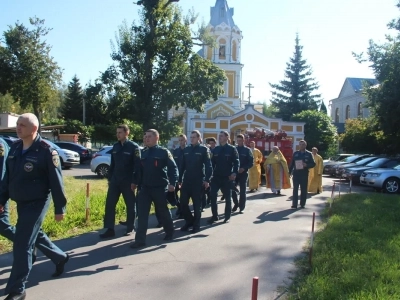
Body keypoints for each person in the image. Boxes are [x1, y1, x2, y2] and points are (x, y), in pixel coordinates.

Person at [0, 113, 69, 300]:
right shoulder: (14, 148)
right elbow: (8, 178)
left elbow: (57, 182)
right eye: (17, 124)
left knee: (22, 243)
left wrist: (59, 209)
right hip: (21, 201)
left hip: (38, 202)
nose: (18, 127)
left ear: (34, 129)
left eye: (22, 125)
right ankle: (59, 256)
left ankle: (17, 290)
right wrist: (1, 200)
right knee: (31, 234)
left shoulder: (47, 151)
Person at [130, 129, 178, 248]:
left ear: (157, 138)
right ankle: (140, 240)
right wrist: (134, 182)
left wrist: (173, 183)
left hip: (159, 188)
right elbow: (137, 170)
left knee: (163, 212)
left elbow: (173, 168)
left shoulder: (163, 152)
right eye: (145, 136)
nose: (146, 138)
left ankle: (170, 231)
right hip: (144, 188)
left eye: (149, 136)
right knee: (142, 214)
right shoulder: (142, 152)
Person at [100, 125, 141, 238]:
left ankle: (130, 227)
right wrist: (110, 178)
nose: (118, 134)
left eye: (120, 132)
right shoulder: (116, 146)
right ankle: (109, 228)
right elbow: (112, 164)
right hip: (115, 181)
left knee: (130, 204)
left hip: (128, 181)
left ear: (127, 133)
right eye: (117, 132)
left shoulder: (133, 147)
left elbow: (137, 166)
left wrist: (135, 181)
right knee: (110, 204)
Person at [179, 131, 212, 233]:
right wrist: (179, 179)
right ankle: (189, 221)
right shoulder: (187, 149)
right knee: (183, 203)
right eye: (191, 137)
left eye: (194, 137)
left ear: (198, 138)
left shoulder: (203, 149)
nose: (191, 139)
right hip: (187, 180)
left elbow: (208, 166)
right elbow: (182, 166)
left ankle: (196, 226)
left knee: (197, 205)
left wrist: (207, 180)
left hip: (198, 181)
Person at [208, 131, 239, 224]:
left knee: (228, 198)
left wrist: (234, 173)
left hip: (227, 177)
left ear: (226, 137)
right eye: (219, 136)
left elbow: (236, 162)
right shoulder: (215, 149)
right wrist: (209, 175)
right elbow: (211, 164)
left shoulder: (232, 149)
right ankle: (214, 216)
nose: (219, 137)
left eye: (221, 136)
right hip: (216, 177)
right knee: (213, 196)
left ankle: (227, 216)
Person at [288, 140, 316, 209]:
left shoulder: (309, 154)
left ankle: (302, 204)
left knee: (303, 189)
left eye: (303, 144)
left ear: (305, 145)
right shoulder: (295, 153)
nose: (301, 146)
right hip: (296, 174)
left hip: (304, 174)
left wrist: (306, 165)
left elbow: (313, 164)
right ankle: (294, 204)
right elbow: (292, 164)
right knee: (295, 189)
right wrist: (289, 173)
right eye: (300, 144)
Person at [232, 134, 253, 213]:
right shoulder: (234, 149)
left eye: (240, 141)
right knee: (232, 189)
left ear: (244, 141)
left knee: (242, 191)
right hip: (235, 173)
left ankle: (241, 207)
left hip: (243, 173)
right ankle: (236, 203)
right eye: (238, 141)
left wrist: (244, 168)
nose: (239, 142)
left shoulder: (247, 150)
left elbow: (251, 162)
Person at [172, 134, 187, 219]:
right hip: (177, 176)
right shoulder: (176, 151)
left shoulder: (188, 150)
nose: (181, 142)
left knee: (183, 195)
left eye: (182, 140)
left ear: (186, 141)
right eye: (180, 140)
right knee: (173, 193)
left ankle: (182, 212)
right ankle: (179, 206)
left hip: (185, 177)